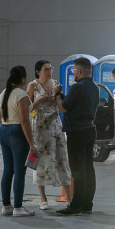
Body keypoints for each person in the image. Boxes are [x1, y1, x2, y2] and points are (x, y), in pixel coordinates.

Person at [55, 57, 99, 216]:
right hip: (89, 129)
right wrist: (63, 95)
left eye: (74, 70)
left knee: (77, 170)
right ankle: (87, 204)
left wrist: (57, 96)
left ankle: (76, 205)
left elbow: (64, 108)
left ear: (79, 71)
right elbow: (77, 104)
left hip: (76, 131)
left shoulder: (77, 87)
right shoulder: (94, 87)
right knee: (88, 167)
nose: (73, 72)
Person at [27, 60, 71, 210]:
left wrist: (60, 95)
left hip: (55, 125)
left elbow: (60, 106)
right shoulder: (33, 86)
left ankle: (69, 198)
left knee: (61, 159)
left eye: (50, 69)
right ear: (38, 71)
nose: (49, 72)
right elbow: (28, 108)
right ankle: (43, 199)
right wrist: (41, 100)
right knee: (41, 161)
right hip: (40, 127)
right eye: (46, 69)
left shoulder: (56, 83)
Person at [0, 65, 37, 217]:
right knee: (20, 172)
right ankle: (18, 208)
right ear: (23, 78)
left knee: (8, 170)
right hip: (16, 132)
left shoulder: (3, 93)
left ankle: (6, 206)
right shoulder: (21, 94)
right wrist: (31, 143)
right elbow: (24, 121)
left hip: (4, 130)